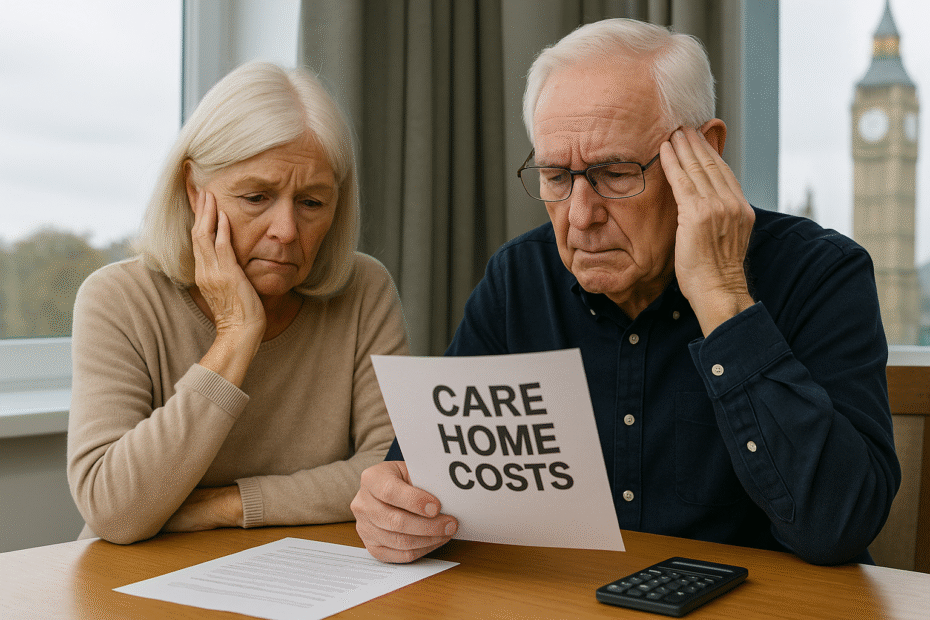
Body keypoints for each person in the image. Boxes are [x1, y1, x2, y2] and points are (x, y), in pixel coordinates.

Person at [350, 18, 900, 565]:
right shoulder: (519, 280)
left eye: (614, 173)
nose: (581, 216)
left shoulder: (822, 273)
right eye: (556, 176)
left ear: (704, 154)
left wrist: (722, 297)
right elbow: (425, 479)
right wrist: (394, 508)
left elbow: (838, 529)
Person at [67, 61, 408, 544]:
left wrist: (226, 505)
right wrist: (235, 333)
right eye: (255, 197)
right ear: (192, 191)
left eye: (312, 202)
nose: (287, 231)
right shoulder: (116, 299)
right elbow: (114, 509)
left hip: (299, 579)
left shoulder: (364, 289)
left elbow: (393, 472)